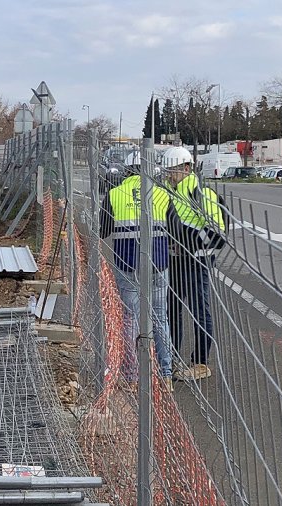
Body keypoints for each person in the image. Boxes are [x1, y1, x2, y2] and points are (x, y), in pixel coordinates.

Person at [99, 164, 174, 390]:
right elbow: (176, 231)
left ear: (127, 173)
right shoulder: (162, 194)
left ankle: (132, 377)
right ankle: (166, 374)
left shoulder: (115, 194)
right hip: (158, 264)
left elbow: (103, 230)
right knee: (160, 317)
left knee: (130, 318)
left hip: (128, 262)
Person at [163, 147, 227, 382]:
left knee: (200, 311)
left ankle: (201, 362)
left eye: (174, 170)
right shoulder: (169, 191)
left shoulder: (200, 193)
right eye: (168, 170)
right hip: (174, 261)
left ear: (187, 169)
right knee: (171, 310)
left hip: (196, 261)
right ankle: (171, 357)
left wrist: (189, 243)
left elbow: (217, 232)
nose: (169, 175)